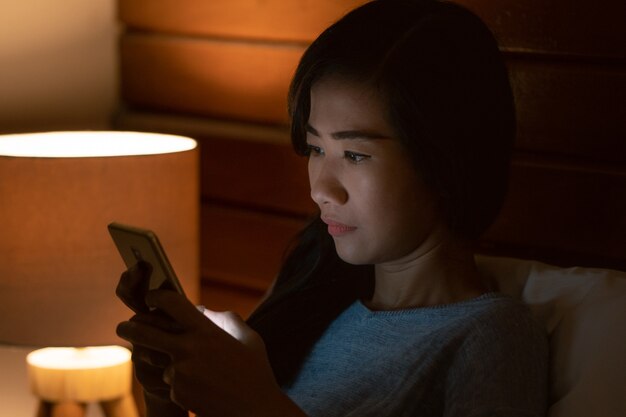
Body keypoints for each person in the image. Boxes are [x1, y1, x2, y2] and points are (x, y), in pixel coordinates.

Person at [116, 0, 549, 416]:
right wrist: (165, 397)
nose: (321, 190)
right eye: (315, 148)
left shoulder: (491, 335)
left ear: (445, 160)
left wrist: (256, 403)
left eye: (355, 155)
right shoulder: (314, 289)